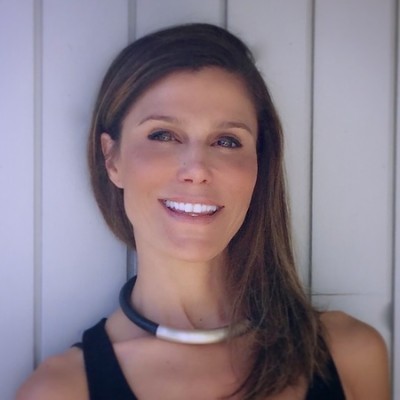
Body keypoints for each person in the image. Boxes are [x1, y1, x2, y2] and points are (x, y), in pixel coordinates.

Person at [17, 23, 390, 400]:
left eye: (226, 141)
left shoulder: (350, 355)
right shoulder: (58, 391)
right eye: (163, 135)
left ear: (259, 163)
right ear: (111, 158)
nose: (196, 169)